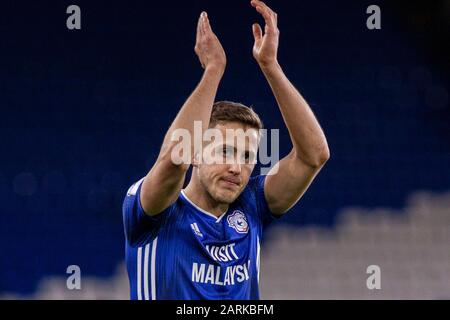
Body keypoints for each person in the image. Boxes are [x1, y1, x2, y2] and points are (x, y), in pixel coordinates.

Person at [123, 0, 329, 300]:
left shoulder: (252, 205)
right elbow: (173, 160)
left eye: (247, 157)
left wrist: (270, 66)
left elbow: (314, 156)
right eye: (225, 152)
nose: (237, 167)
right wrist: (213, 71)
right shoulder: (152, 211)